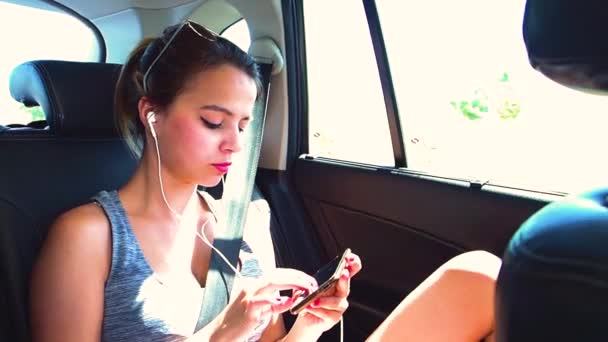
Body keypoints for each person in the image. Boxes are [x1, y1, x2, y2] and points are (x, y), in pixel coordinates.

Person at [29, 21, 500, 342]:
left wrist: (307, 328)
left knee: (480, 276)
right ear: (152, 114)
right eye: (214, 122)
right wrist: (222, 333)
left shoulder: (244, 220)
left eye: (242, 124)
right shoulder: (88, 236)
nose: (234, 144)